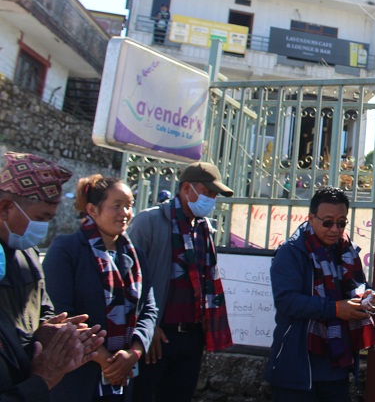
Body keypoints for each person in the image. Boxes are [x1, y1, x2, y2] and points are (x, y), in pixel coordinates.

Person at [0, 152, 106, 401]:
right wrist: (41, 380)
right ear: (5, 208)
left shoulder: (27, 254)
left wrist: (50, 332)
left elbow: (41, 308)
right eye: (40, 218)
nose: (44, 228)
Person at [43, 175, 158, 400]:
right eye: (117, 206)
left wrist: (134, 352)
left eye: (129, 206)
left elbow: (149, 310)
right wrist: (104, 359)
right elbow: (61, 313)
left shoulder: (135, 257)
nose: (125, 213)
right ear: (92, 210)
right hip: (77, 374)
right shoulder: (67, 251)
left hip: (123, 374)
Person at [127, 161, 233, 402]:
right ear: (187, 188)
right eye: (208, 193)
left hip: (191, 336)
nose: (212, 200)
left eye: (214, 195)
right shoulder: (149, 222)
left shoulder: (203, 228)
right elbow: (130, 280)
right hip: (157, 335)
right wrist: (145, 328)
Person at [264, 186, 375, 401]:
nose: (335, 229)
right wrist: (335, 309)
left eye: (342, 222)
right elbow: (286, 301)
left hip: (336, 364)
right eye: (328, 222)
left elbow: (359, 286)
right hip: (297, 367)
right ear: (311, 218)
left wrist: (368, 300)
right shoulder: (291, 252)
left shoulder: (347, 251)